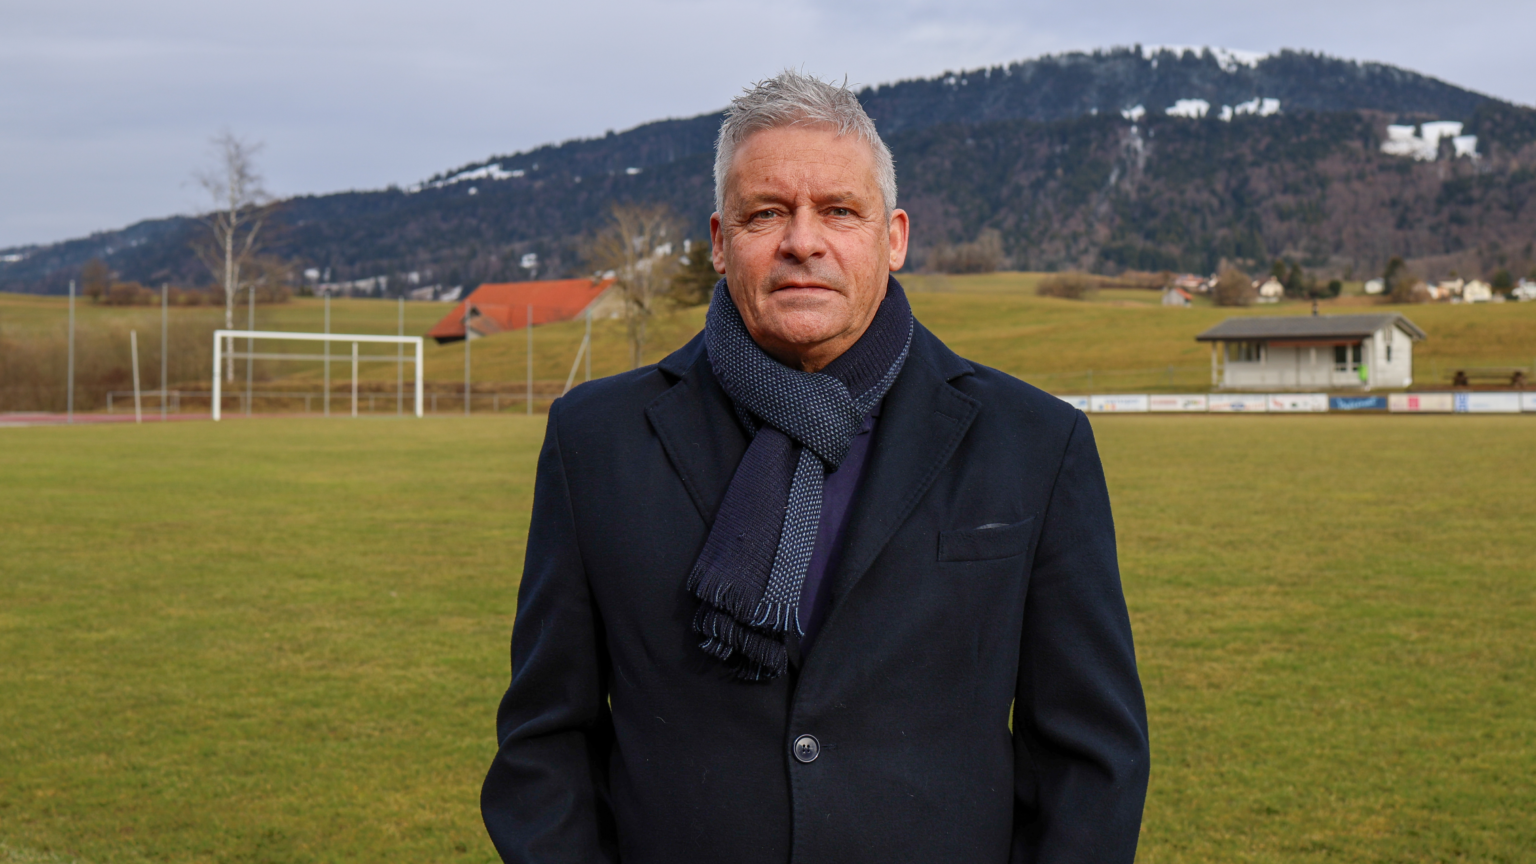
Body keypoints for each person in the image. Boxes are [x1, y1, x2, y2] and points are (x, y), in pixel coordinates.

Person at [481, 70, 1149, 864]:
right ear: (720, 241)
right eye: (766, 213)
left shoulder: (1035, 442)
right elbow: (545, 742)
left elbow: (1091, 761)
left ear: (893, 238)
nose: (803, 241)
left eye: (839, 210)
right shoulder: (596, 441)